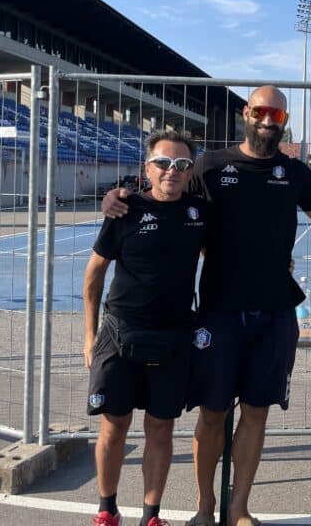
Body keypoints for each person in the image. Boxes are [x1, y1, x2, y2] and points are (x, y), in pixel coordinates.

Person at [101, 85, 311, 526]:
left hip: (275, 312)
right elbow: (171, 201)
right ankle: (205, 506)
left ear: (284, 121)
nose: (267, 120)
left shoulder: (294, 172)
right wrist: (122, 195)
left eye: (277, 115)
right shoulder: (210, 165)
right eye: (261, 111)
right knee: (212, 413)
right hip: (219, 311)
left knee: (256, 413)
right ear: (247, 113)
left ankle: (238, 507)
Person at [84, 131, 209, 526]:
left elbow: (225, 255)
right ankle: (107, 509)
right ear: (147, 168)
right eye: (163, 163)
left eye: (181, 165)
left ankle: (150, 516)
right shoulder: (125, 210)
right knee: (114, 425)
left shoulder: (199, 214)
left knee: (160, 429)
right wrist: (89, 337)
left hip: (174, 337)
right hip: (121, 332)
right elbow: (94, 276)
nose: (171, 171)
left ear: (190, 172)